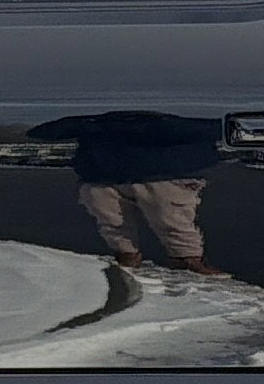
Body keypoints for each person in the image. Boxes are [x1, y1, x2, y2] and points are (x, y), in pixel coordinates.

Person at [38, 107, 224, 274]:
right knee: (116, 217)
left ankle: (187, 259)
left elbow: (47, 131)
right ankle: (133, 256)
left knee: (169, 217)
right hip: (111, 172)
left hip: (144, 170)